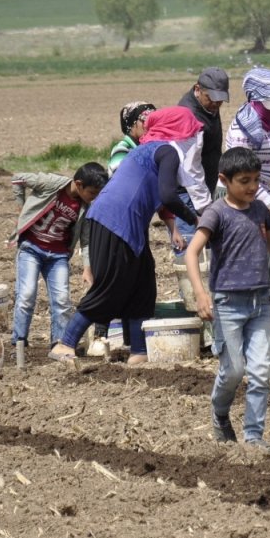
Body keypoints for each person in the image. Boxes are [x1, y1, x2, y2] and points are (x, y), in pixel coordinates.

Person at [49, 106, 205, 364]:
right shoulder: (167, 150)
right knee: (111, 286)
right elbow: (168, 195)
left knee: (143, 285)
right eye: (191, 133)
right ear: (179, 131)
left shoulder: (149, 149)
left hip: (127, 225)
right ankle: (64, 344)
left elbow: (158, 194)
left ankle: (139, 352)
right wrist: (194, 219)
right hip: (115, 222)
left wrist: (174, 225)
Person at [186, 147, 270, 449]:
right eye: (244, 180)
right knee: (233, 371)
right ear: (224, 180)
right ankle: (220, 414)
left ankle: (254, 437)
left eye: (256, 180)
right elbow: (193, 252)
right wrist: (201, 295)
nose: (252, 187)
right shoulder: (216, 213)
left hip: (260, 302)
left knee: (259, 373)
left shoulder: (258, 210)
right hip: (228, 304)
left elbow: (269, 240)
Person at [8, 163, 107, 348]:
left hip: (58, 255)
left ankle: (58, 344)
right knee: (26, 295)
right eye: (93, 192)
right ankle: (19, 342)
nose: (95, 197)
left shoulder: (85, 208)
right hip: (31, 248)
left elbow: (86, 240)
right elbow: (18, 178)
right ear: (79, 184)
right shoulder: (52, 183)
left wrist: (87, 268)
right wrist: (20, 210)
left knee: (62, 300)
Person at [225, 67, 270, 294]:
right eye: (269, 105)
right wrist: (268, 205)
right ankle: (265, 304)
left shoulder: (267, 122)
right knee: (263, 254)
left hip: (260, 194)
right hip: (243, 198)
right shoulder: (242, 131)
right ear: (255, 100)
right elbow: (241, 178)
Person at [174, 67, 229, 255]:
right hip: (188, 194)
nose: (216, 103)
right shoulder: (188, 115)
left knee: (209, 253)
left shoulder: (208, 106)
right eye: (211, 97)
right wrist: (204, 206)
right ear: (198, 89)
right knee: (191, 253)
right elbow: (189, 169)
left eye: (220, 99)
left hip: (205, 189)